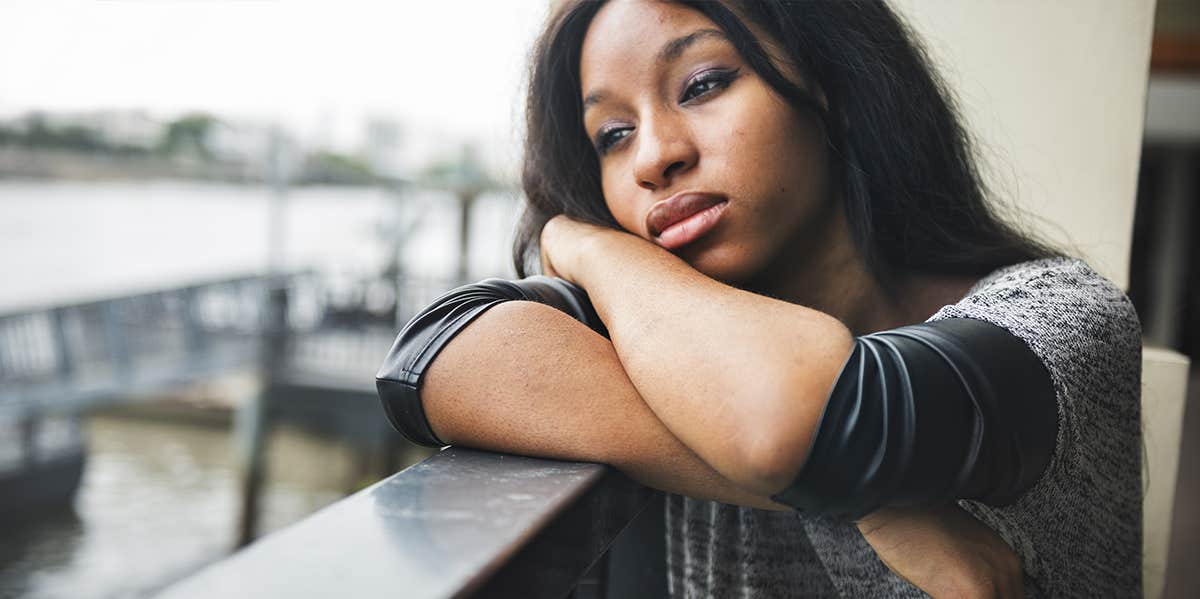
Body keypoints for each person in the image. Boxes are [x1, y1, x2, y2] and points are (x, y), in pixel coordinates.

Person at [375, 0, 1143, 597]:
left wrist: (583, 244)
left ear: (834, 85)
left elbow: (792, 421)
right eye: (612, 133)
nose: (653, 156)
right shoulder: (666, 330)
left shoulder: (1061, 318)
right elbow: (432, 356)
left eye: (704, 84)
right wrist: (869, 503)